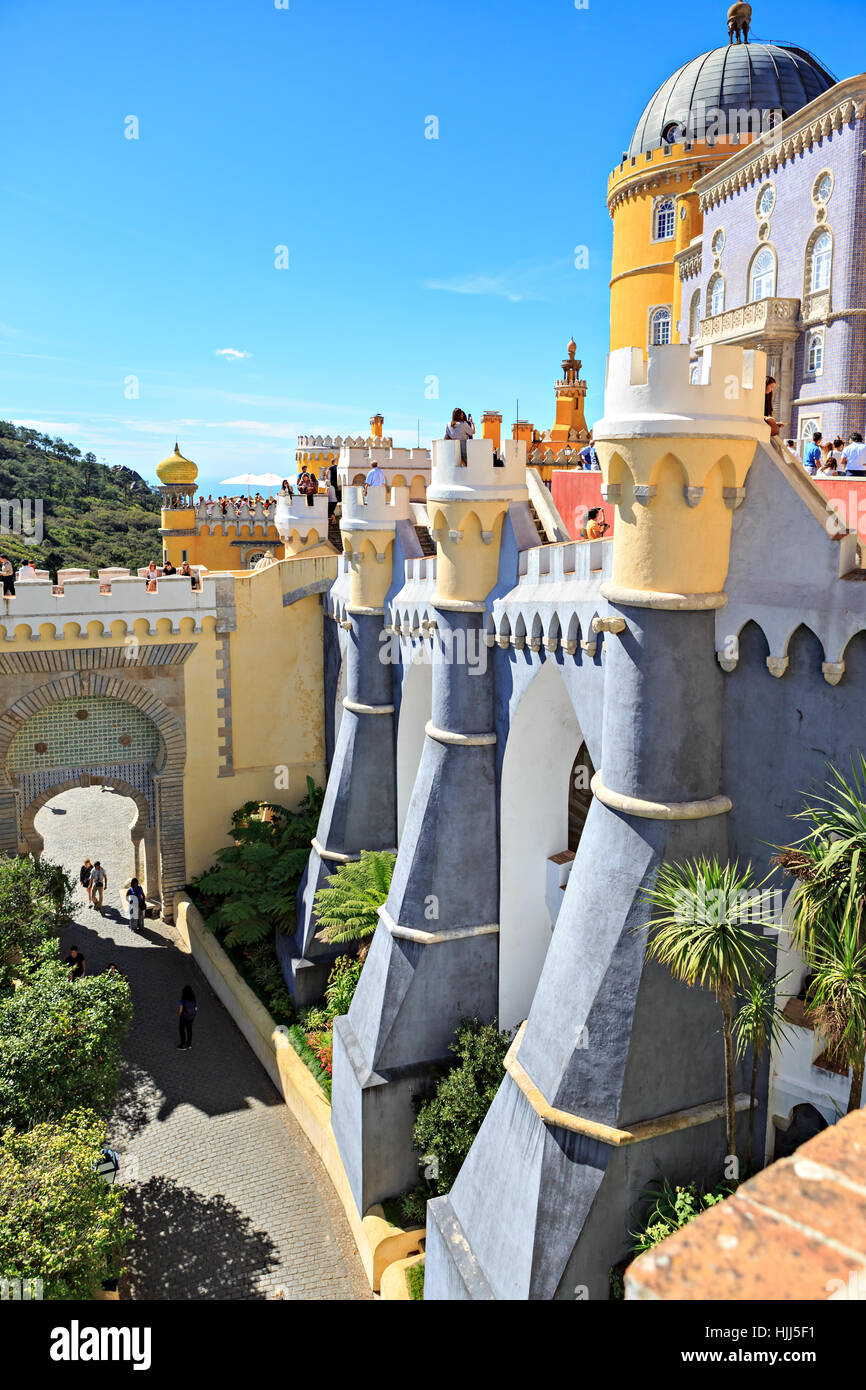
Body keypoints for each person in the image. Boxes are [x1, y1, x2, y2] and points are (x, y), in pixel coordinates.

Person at [177, 985, 197, 1050]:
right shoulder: (193, 997)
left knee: (181, 1029)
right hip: (191, 1017)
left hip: (184, 1016)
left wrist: (179, 1014)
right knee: (189, 1029)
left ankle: (183, 1044)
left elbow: (180, 1010)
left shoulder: (183, 998)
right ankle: (189, 1044)